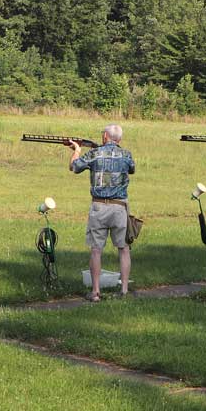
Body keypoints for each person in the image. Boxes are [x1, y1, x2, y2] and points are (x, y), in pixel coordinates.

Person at [67, 124, 135, 301]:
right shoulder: (126, 154)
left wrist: (76, 149)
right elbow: (131, 169)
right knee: (124, 249)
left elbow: (74, 167)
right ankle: (125, 290)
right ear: (119, 138)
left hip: (99, 207)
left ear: (105, 136)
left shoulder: (93, 154)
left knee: (96, 250)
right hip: (120, 207)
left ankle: (96, 292)